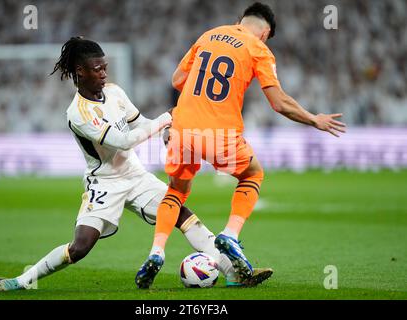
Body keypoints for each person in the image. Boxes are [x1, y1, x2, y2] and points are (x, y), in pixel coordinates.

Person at [0, 37, 270, 292]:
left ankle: (233, 272)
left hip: (135, 174)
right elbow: (123, 141)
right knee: (81, 246)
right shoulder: (78, 113)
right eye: (97, 69)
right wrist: (167, 119)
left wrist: (166, 129)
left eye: (105, 67)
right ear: (80, 72)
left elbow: (140, 123)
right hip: (105, 182)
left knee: (182, 214)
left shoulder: (115, 93)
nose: (104, 73)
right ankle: (19, 282)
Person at [135, 2, 346, 288]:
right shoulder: (259, 49)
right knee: (253, 174)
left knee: (176, 191)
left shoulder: (209, 35)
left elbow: (177, 80)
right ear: (265, 32)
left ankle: (157, 252)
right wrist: (314, 119)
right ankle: (230, 235)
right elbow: (279, 103)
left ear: (240, 20)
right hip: (220, 134)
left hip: (182, 129)